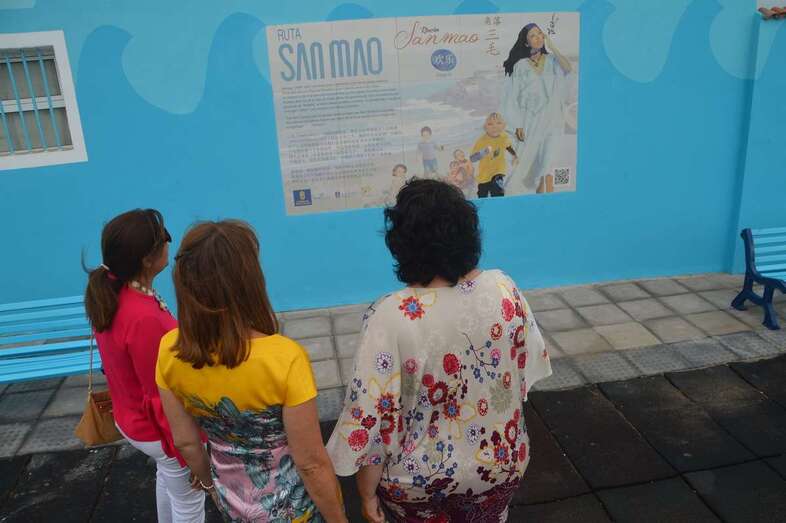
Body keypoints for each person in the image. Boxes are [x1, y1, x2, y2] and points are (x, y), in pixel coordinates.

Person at [326, 179, 552, 522]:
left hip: (419, 485)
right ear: (468, 232)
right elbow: (522, 374)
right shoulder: (504, 288)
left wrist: (366, 494)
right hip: (501, 467)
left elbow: (372, 419)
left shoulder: (391, 315)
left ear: (401, 243)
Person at [155, 220, 347, 523]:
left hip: (233, 504)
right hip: (293, 511)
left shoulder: (169, 350)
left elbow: (186, 442)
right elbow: (311, 463)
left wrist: (210, 485)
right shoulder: (284, 357)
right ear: (248, 281)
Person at [84, 209, 205, 523]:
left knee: (168, 481)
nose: (169, 240)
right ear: (146, 259)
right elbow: (158, 396)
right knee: (190, 504)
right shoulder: (143, 318)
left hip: (133, 420)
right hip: (158, 429)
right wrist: (189, 452)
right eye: (163, 237)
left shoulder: (116, 292)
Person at [500, 23, 573, 194]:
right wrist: (517, 124)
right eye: (533, 35)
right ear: (526, 42)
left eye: (540, 34)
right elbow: (512, 99)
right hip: (530, 121)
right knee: (527, 164)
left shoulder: (553, 61)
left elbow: (568, 68)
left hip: (553, 119)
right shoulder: (520, 66)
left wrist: (552, 46)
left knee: (548, 162)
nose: (538, 37)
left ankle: (545, 198)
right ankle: (533, 197)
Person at [470, 113, 518, 198]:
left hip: (498, 172)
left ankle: (498, 205)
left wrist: (514, 156)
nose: (494, 126)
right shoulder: (482, 141)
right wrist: (484, 152)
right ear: (485, 128)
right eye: (490, 124)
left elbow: (508, 146)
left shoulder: (504, 137)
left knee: (497, 191)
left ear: (503, 126)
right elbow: (473, 158)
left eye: (498, 123)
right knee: (482, 195)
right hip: (484, 176)